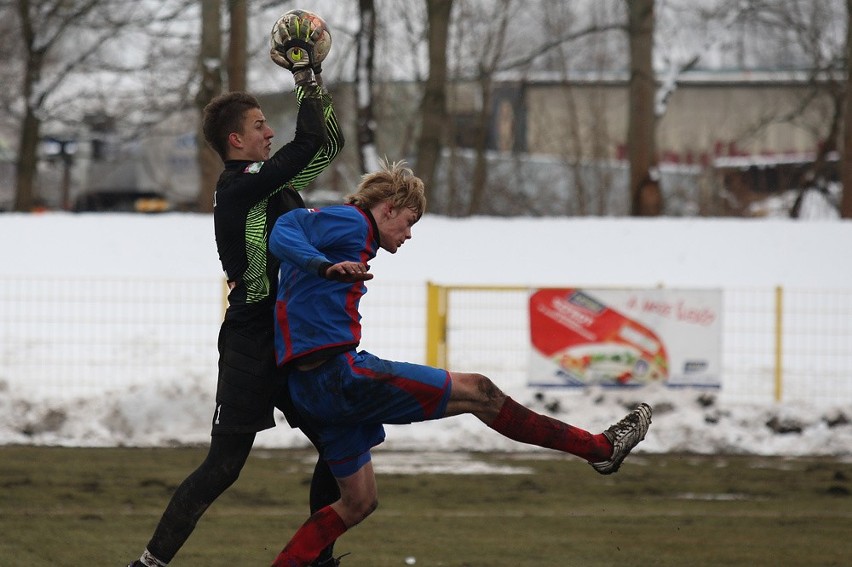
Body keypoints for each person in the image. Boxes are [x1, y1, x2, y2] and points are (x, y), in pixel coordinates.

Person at [266, 160, 653, 566]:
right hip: (338, 376)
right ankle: (598, 448)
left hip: (310, 389)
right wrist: (323, 266)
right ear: (389, 208)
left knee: (359, 501)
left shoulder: (352, 234)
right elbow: (284, 230)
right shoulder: (353, 221)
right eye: (410, 221)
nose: (410, 234)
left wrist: (322, 266)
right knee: (480, 392)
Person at [128, 13, 345, 567]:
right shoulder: (237, 189)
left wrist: (311, 75)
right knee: (223, 467)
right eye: (258, 125)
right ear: (236, 140)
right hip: (251, 341)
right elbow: (310, 141)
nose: (269, 131)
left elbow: (328, 142)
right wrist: (305, 74)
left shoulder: (271, 181)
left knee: (342, 445)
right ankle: (149, 564)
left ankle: (318, 559)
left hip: (291, 335)